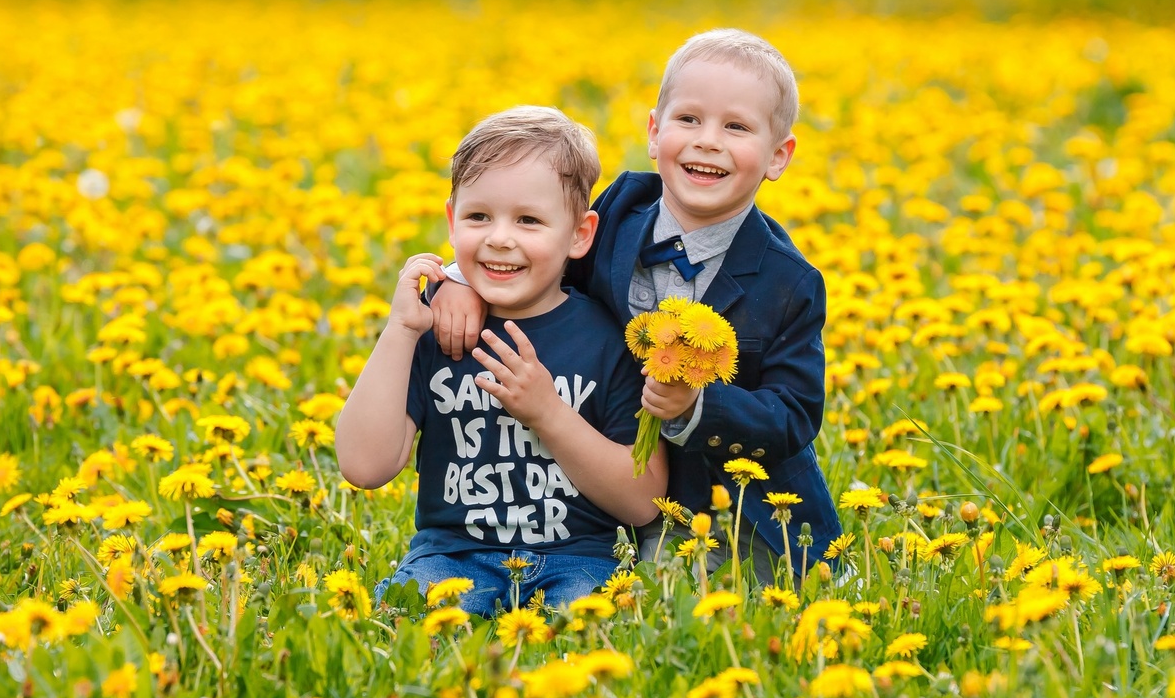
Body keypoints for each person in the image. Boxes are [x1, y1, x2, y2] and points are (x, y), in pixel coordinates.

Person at [430, 30, 838, 586]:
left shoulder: (791, 282)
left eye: (736, 127)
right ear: (653, 132)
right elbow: (537, 252)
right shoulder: (619, 211)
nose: (707, 142)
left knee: (711, 605)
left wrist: (696, 406)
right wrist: (459, 282)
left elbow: (794, 415)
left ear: (777, 156)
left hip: (731, 506)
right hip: (599, 494)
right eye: (688, 119)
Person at [336, 106, 666, 616]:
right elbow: (364, 466)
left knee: (591, 627)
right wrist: (400, 331)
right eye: (478, 216)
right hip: (451, 557)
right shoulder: (433, 329)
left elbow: (642, 500)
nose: (500, 238)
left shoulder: (609, 336)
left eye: (529, 220)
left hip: (580, 559)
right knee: (410, 620)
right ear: (451, 220)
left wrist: (548, 412)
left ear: (580, 233)